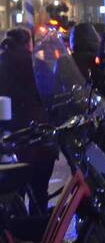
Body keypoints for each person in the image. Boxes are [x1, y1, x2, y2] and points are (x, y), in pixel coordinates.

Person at [0, 28, 57, 213]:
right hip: (37, 137)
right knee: (39, 190)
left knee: (13, 192)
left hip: (10, 139)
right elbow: (50, 92)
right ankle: (38, 233)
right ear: (28, 44)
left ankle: (15, 232)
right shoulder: (34, 65)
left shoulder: (2, 63)